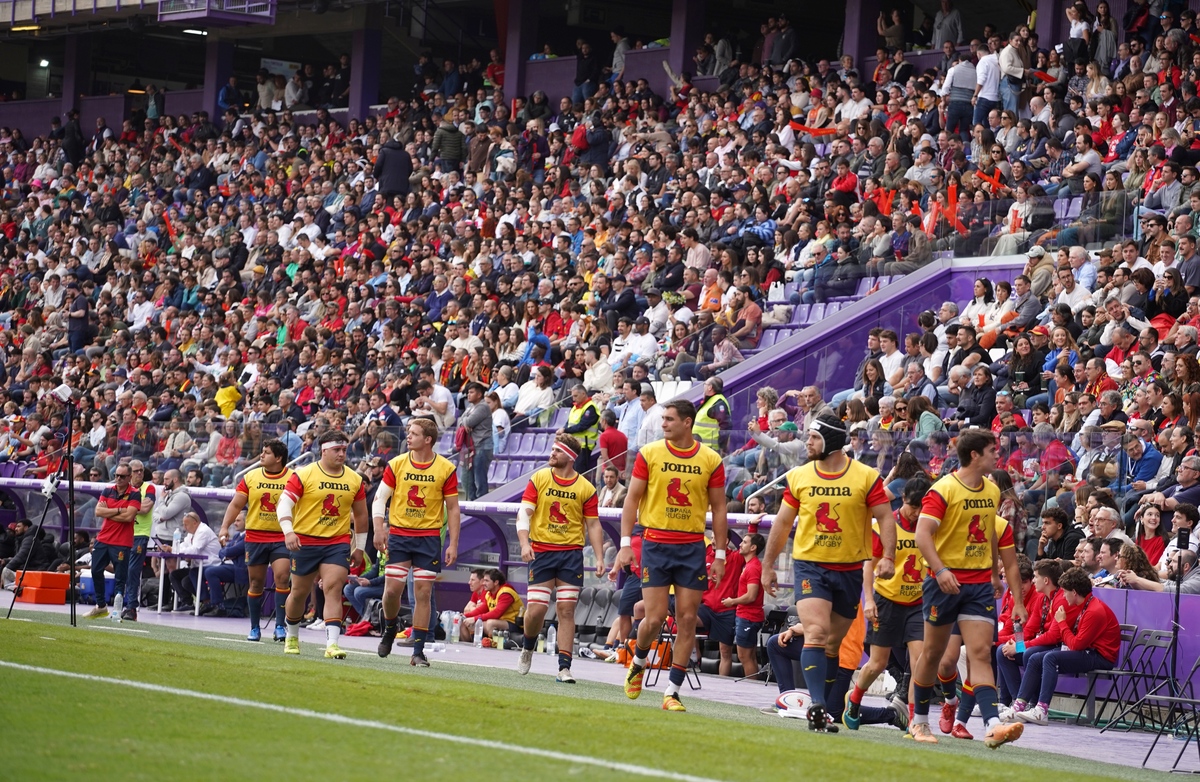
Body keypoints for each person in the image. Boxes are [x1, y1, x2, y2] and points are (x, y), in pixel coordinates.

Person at [760, 411, 896, 732]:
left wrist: (888, 556)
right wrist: (767, 565)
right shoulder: (799, 476)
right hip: (811, 564)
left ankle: (826, 707)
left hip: (849, 569)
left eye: (814, 437)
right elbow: (781, 523)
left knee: (833, 645)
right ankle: (818, 708)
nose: (807, 442)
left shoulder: (866, 477)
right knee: (817, 633)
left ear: (832, 442)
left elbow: (886, 518)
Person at [909, 428, 1026, 748]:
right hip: (943, 582)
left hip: (976, 584)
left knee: (979, 655)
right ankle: (919, 721)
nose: (997, 456)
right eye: (992, 451)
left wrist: (992, 574)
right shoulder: (943, 489)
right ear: (975, 455)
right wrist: (940, 569)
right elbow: (923, 535)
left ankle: (992, 725)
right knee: (933, 654)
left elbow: (987, 535)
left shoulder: (991, 491)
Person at [611, 399, 728, 713]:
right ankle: (638, 660)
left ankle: (672, 692)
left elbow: (719, 509)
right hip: (655, 544)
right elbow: (632, 500)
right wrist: (625, 544)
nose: (663, 424)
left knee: (687, 618)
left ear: (687, 422)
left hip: (691, 547)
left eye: (669, 419)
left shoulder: (711, 459)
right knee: (654, 618)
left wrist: (719, 554)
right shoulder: (650, 454)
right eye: (662, 419)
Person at [515, 433, 605, 682]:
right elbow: (524, 514)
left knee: (566, 610)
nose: (551, 454)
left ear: (570, 457)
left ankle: (564, 667)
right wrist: (525, 543)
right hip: (541, 551)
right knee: (536, 611)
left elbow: (594, 525)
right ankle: (528, 647)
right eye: (552, 449)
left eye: (557, 451)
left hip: (570, 554)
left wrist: (599, 557)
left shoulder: (586, 488)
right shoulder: (540, 478)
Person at [373, 418, 461, 667]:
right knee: (391, 591)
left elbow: (453, 509)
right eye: (408, 433)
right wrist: (379, 529)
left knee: (423, 593)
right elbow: (379, 500)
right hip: (400, 535)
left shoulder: (445, 468)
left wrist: (453, 544)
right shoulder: (397, 464)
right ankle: (390, 628)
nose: (408, 437)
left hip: (428, 538)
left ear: (428, 439)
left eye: (413, 433)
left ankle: (419, 651)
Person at [846, 476, 930, 730]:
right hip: (887, 600)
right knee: (877, 664)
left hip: (917, 602)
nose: (916, 514)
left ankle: (916, 722)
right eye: (913, 507)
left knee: (919, 663)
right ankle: (855, 699)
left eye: (921, 508)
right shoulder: (885, 525)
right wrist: (869, 599)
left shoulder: (931, 526)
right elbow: (868, 564)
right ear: (903, 499)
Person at [276, 430, 368, 659]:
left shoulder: (354, 479)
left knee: (333, 589)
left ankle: (332, 644)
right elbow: (283, 505)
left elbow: (361, 516)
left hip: (337, 542)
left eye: (344, 450)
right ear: (324, 450)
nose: (341, 454)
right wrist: (289, 532)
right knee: (298, 593)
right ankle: (292, 636)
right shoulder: (304, 474)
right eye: (337, 449)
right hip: (304, 541)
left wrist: (360, 547)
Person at [1010, 567, 1122, 725]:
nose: (1063, 595)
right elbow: (1027, 629)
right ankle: (1018, 706)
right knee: (1025, 655)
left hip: (1099, 655)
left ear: (1074, 592)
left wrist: (1019, 646)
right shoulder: (1043, 599)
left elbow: (1068, 641)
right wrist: (1003, 641)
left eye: (1032, 578)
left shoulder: (1087, 608)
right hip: (1083, 649)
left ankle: (1039, 709)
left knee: (1044, 656)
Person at [218, 439, 294, 642]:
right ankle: (254, 627)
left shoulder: (293, 477)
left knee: (282, 576)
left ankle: (280, 626)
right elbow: (236, 505)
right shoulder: (250, 477)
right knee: (256, 582)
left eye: (266, 452)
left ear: (278, 458)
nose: (261, 455)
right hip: (256, 536)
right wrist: (225, 527)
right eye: (262, 451)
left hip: (281, 536)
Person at [83, 465, 140, 619]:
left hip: (122, 541)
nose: (119, 479)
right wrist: (120, 510)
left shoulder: (135, 494)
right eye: (116, 475)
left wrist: (109, 512)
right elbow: (98, 511)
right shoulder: (108, 490)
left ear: (129, 477)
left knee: (120, 576)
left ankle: (117, 609)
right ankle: (101, 606)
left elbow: (129, 517)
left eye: (122, 476)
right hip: (103, 538)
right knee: (95, 570)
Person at [722, 532, 766, 678]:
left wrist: (732, 601)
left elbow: (751, 596)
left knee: (745, 657)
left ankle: (752, 688)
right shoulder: (750, 565)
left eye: (745, 542)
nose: (740, 544)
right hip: (747, 616)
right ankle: (754, 687)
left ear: (753, 547)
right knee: (749, 656)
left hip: (748, 616)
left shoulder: (753, 567)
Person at [121, 460, 156, 621]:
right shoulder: (123, 489)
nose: (140, 474)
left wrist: (125, 506)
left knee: (132, 571)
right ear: (129, 474)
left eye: (141, 471)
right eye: (136, 471)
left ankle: (131, 607)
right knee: (122, 570)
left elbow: (145, 508)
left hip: (140, 534)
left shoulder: (148, 488)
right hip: (123, 533)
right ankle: (121, 603)